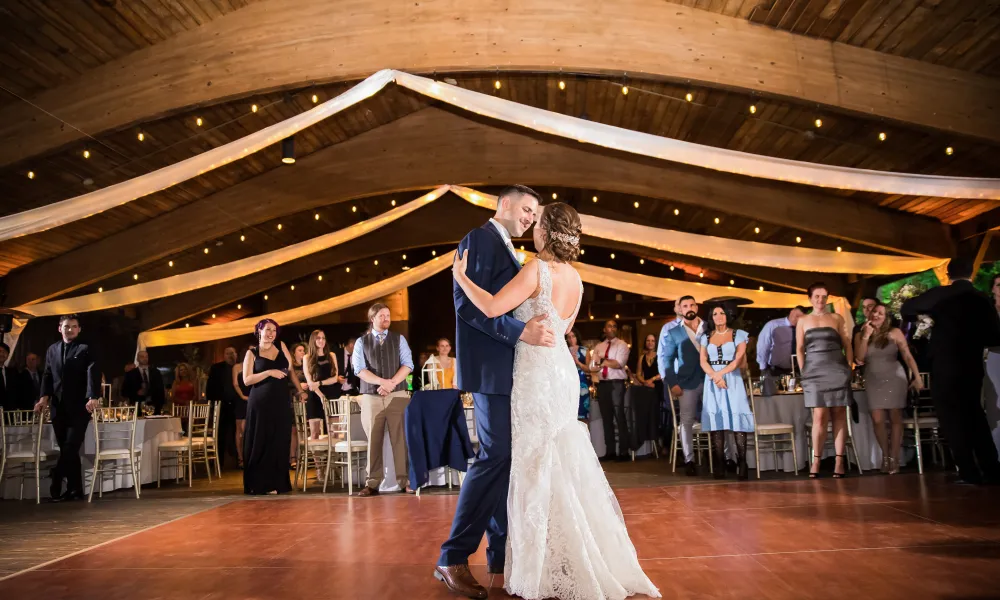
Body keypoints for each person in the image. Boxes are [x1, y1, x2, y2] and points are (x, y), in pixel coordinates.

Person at [449, 201, 659, 600]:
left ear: (544, 231)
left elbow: (493, 307)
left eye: (537, 222)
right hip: (562, 371)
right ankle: (568, 554)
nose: (531, 226)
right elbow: (564, 328)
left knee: (534, 464)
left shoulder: (535, 270)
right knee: (559, 460)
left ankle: (542, 562)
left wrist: (462, 278)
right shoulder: (577, 279)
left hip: (534, 373)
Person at [435, 185, 556, 599]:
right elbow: (468, 305)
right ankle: (453, 556)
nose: (529, 218)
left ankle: (500, 555)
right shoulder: (480, 239)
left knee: (507, 461)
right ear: (503, 204)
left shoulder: (505, 247)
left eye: (534, 214)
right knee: (496, 456)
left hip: (507, 372)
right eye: (526, 209)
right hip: (489, 370)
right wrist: (520, 330)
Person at [902, 258, 1000, 484]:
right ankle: (991, 468)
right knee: (975, 415)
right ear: (971, 274)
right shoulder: (981, 299)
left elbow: (907, 308)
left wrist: (930, 319)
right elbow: (993, 336)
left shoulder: (940, 295)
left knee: (951, 418)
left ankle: (968, 471)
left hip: (945, 365)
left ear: (948, 274)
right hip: (972, 364)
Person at [34, 315, 101, 502]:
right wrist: (43, 398)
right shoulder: (52, 349)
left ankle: (57, 474)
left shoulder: (85, 348)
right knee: (67, 448)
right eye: (66, 326)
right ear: (59, 328)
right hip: (58, 406)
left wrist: (92, 396)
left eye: (73, 326)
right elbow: (47, 375)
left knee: (71, 445)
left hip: (80, 406)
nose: (70, 329)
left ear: (79, 329)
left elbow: (92, 372)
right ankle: (75, 490)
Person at [352, 304, 414, 496]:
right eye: (382, 316)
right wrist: (382, 382)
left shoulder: (399, 339)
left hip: (397, 395)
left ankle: (405, 481)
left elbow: (408, 364)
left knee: (400, 439)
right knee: (373, 439)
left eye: (388, 315)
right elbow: (359, 369)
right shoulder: (361, 342)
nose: (387, 318)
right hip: (371, 396)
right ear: (372, 318)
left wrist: (392, 383)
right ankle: (372, 483)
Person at [855, 302, 923, 474]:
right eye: (874, 312)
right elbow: (859, 359)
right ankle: (885, 456)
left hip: (894, 377)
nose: (876, 315)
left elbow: (907, 356)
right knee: (877, 420)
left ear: (886, 317)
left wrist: (917, 376)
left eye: (880, 313)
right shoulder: (860, 334)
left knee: (895, 418)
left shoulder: (894, 332)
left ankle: (894, 458)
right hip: (873, 378)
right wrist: (865, 336)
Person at [796, 282, 853, 479]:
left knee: (839, 413)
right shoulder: (803, 320)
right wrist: (804, 372)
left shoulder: (836, 318)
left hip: (837, 368)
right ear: (810, 298)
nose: (820, 300)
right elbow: (799, 348)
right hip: (813, 372)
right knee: (819, 415)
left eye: (824, 296)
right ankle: (816, 459)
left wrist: (849, 367)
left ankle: (839, 459)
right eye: (817, 296)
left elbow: (847, 343)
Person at [241, 319, 299, 495]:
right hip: (260, 403)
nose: (271, 333)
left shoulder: (281, 346)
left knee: (280, 440)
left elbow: (289, 369)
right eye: (267, 330)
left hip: (280, 401)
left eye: (274, 330)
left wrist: (299, 389)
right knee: (261, 440)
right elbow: (246, 380)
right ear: (259, 331)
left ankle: (277, 482)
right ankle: (259, 484)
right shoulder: (252, 353)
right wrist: (268, 372)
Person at [698, 305, 753, 480]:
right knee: (717, 422)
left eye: (722, 312)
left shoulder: (739, 335)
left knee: (737, 421)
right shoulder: (705, 337)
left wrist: (720, 374)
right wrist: (715, 376)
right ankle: (720, 464)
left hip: (733, 380)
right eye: (715, 313)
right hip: (713, 382)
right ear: (711, 317)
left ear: (728, 315)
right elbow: (703, 361)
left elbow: (738, 359)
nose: (719, 316)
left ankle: (742, 463)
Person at [658, 295, 705, 476]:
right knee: (686, 422)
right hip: (686, 383)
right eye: (685, 305)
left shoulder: (708, 327)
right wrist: (672, 383)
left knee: (714, 417)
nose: (689, 308)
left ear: (697, 306)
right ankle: (689, 459)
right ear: (680, 309)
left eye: (692, 304)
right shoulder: (673, 332)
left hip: (709, 381)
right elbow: (667, 360)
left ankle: (722, 457)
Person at [590, 320, 631, 461]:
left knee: (619, 416)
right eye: (609, 326)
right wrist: (603, 363)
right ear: (604, 329)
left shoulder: (622, 345)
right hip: (603, 384)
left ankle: (624, 452)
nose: (612, 328)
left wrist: (603, 362)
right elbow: (593, 366)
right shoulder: (599, 346)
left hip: (617, 384)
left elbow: (619, 364)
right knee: (606, 418)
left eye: (614, 326)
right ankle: (610, 451)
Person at [303, 329, 342, 440]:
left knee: (334, 432)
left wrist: (320, 383)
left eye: (323, 338)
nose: (321, 340)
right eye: (318, 338)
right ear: (313, 340)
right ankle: (317, 458)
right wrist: (321, 396)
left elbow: (335, 378)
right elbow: (310, 383)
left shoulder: (331, 355)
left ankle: (333, 457)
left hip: (332, 393)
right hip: (315, 395)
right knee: (315, 433)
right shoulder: (307, 357)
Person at [206, 347, 239, 467]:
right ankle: (218, 462)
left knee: (238, 433)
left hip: (237, 405)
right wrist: (212, 405)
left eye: (232, 353)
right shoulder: (216, 368)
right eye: (228, 353)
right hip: (221, 405)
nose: (230, 356)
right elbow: (210, 388)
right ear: (224, 355)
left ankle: (239, 460)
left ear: (236, 355)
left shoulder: (241, 367)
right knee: (220, 434)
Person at [631, 333, 662, 450]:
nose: (650, 343)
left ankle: (657, 438)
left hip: (658, 386)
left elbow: (663, 372)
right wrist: (644, 381)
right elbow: (638, 373)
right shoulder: (642, 357)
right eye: (648, 340)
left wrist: (652, 380)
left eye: (652, 341)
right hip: (646, 387)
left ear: (656, 342)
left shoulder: (661, 355)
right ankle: (645, 435)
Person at [756, 306, 806, 376]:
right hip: (774, 370)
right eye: (797, 316)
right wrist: (763, 368)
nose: (797, 319)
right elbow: (763, 345)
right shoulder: (773, 325)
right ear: (791, 312)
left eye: (801, 318)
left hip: (796, 370)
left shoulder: (803, 328)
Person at [289, 342, 309, 468]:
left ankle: (306, 457)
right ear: (294, 352)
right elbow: (286, 383)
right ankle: (292, 458)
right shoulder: (291, 367)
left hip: (307, 400)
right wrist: (298, 386)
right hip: (293, 400)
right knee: (294, 430)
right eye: (300, 350)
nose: (302, 352)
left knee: (306, 429)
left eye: (303, 350)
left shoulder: (307, 366)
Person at [566, 329, 591, 421]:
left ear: (577, 337)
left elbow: (589, 369)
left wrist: (577, 362)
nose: (571, 339)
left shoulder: (585, 350)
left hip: (582, 382)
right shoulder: (564, 351)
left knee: (583, 412)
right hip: (568, 381)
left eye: (573, 336)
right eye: (569, 337)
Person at [233, 353, 251, 469]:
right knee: (240, 430)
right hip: (241, 399)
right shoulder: (237, 367)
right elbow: (235, 384)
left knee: (250, 429)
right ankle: (240, 458)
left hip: (253, 398)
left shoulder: (255, 364)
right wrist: (242, 396)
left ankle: (250, 457)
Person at [0, 342, 21, 411]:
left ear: (8, 355)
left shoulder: (12, 372)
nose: (2, 354)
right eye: (0, 351)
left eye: (4, 352)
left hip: (9, 413)